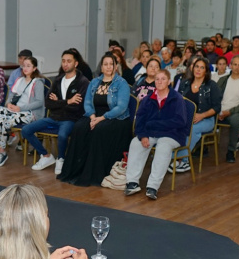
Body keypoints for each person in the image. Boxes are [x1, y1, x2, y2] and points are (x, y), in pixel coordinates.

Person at [58, 52, 131, 187]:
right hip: (95, 115)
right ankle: (76, 171)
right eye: (105, 64)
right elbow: (87, 103)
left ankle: (93, 174)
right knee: (79, 127)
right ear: (101, 67)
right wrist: (92, 117)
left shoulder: (122, 83)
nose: (108, 67)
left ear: (115, 67)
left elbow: (121, 107)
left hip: (116, 118)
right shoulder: (95, 82)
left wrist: (101, 118)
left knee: (99, 129)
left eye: (111, 64)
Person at [125, 69, 190, 199]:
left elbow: (180, 121)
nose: (160, 82)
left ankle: (152, 187)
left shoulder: (177, 99)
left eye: (163, 79)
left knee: (163, 146)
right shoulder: (148, 99)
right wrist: (143, 135)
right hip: (150, 133)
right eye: (157, 79)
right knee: (136, 143)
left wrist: (154, 124)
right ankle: (132, 182)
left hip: (172, 134)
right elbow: (140, 120)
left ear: (169, 81)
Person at [23, 49, 90, 174]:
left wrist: (58, 101)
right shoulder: (58, 80)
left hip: (71, 118)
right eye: (63, 61)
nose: (65, 64)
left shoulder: (83, 82)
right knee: (26, 130)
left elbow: (77, 107)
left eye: (69, 61)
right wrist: (67, 101)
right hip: (54, 117)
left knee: (63, 135)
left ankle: (61, 159)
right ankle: (46, 156)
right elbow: (48, 103)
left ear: (75, 64)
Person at [0, 56, 45, 167]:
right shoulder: (20, 80)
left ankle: (1, 151)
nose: (25, 68)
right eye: (24, 66)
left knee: (3, 121)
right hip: (15, 111)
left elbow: (39, 102)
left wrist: (20, 108)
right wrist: (8, 104)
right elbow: (11, 96)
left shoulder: (38, 83)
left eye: (28, 66)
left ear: (34, 68)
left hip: (30, 113)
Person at [172, 56, 221, 173]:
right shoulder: (185, 83)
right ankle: (172, 156)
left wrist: (202, 115)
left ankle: (181, 160)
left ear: (206, 71)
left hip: (206, 119)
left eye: (202, 67)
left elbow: (217, 107)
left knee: (192, 129)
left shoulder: (212, 85)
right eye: (196, 67)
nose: (198, 70)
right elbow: (176, 101)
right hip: (186, 117)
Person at [216, 56, 239, 163]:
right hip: (220, 110)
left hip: (236, 112)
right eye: (235, 64)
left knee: (235, 120)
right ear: (230, 66)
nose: (237, 67)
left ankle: (231, 150)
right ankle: (201, 147)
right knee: (204, 116)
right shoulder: (223, 80)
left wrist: (229, 112)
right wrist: (217, 111)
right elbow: (215, 98)